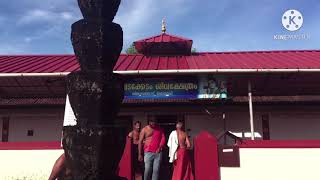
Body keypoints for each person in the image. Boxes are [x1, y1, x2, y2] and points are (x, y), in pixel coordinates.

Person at [138, 116, 165, 180]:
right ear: (149, 122)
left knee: (156, 170)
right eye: (152, 122)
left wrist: (160, 146)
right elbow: (140, 141)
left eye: (154, 122)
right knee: (147, 169)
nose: (153, 123)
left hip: (158, 152)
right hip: (148, 152)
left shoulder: (159, 129)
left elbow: (163, 138)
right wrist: (139, 154)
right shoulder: (144, 129)